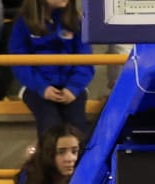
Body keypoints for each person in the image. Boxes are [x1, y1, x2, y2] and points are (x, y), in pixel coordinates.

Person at [8, 0, 93, 136]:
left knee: (77, 127)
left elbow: (86, 60)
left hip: (72, 88)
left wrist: (73, 88)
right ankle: (47, 157)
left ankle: (79, 157)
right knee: (50, 125)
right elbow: (19, 61)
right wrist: (42, 87)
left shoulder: (77, 21)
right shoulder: (23, 23)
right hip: (36, 87)